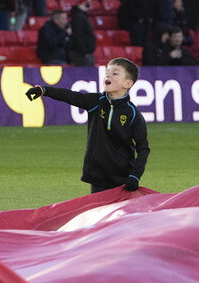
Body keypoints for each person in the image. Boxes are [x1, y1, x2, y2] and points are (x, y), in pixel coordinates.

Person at [24, 57, 149, 194]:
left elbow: (143, 148)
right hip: (98, 175)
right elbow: (70, 96)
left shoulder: (133, 114)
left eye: (115, 73)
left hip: (122, 178)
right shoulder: (95, 102)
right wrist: (43, 90)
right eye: (107, 72)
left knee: (119, 215)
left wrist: (135, 176)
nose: (108, 75)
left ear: (127, 84)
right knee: (99, 214)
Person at [68, 0, 96, 67]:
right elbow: (78, 36)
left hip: (85, 54)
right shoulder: (78, 17)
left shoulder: (82, 15)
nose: (90, 0)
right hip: (81, 56)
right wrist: (84, 53)